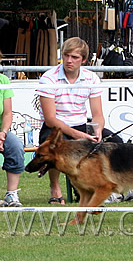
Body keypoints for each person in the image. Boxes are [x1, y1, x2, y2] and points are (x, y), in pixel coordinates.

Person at [37, 37, 124, 205]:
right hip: (56, 127)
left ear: (84, 60)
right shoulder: (48, 78)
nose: (69, 61)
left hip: (82, 124)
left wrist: (97, 130)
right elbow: (50, 119)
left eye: (75, 57)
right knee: (53, 147)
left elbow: (98, 114)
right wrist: (79, 135)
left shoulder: (92, 78)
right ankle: (55, 188)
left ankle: (108, 187)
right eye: (66, 55)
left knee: (116, 143)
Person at [0, 50, 25, 207]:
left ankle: (11, 195)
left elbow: (8, 114)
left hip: (1, 131)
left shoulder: (3, 80)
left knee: (15, 146)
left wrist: (2, 134)